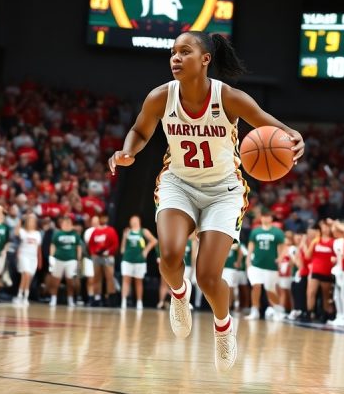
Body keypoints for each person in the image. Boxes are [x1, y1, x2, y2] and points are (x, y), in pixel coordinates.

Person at [108, 31, 304, 372]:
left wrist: (293, 136)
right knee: (169, 256)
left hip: (223, 191)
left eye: (185, 51)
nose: (175, 57)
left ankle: (223, 327)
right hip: (178, 183)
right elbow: (139, 131)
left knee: (209, 276)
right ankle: (179, 294)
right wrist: (127, 151)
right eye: (173, 52)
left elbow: (276, 128)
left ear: (205, 59)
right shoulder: (160, 97)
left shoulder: (229, 97)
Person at [245, 211, 286, 321]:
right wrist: (248, 259)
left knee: (270, 290)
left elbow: (283, 247)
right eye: (264, 216)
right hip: (256, 264)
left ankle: (278, 309)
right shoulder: (255, 231)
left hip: (271, 266)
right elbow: (251, 245)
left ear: (271, 218)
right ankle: (255, 310)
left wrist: (280, 258)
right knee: (256, 286)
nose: (266, 218)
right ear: (261, 218)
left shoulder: (277, 232)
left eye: (268, 216)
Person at [120, 215, 157, 310]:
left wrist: (146, 251)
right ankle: (123, 301)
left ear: (139, 221)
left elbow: (154, 241)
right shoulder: (128, 231)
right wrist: (124, 237)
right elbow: (122, 249)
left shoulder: (143, 231)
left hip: (139, 260)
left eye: (135, 220)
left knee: (138, 281)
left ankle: (139, 302)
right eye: (132, 220)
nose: (133, 222)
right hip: (127, 259)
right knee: (126, 280)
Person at [48, 214, 83, 307]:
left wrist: (78, 259)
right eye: (65, 223)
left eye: (69, 223)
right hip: (58, 259)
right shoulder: (57, 234)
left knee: (70, 281)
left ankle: (70, 299)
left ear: (71, 224)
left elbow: (79, 247)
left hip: (71, 260)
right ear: (61, 224)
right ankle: (53, 298)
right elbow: (53, 245)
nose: (67, 224)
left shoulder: (75, 235)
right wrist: (51, 257)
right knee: (55, 280)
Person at [87, 213, 120, 307]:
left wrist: (108, 251)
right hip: (97, 257)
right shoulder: (95, 231)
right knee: (97, 277)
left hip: (108, 256)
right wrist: (94, 252)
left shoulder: (110, 230)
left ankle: (110, 298)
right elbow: (91, 244)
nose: (103, 220)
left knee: (110, 277)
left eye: (104, 218)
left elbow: (115, 244)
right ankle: (97, 298)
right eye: (101, 218)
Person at [16, 213, 41, 306]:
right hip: (23, 255)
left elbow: (38, 248)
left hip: (33, 257)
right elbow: (16, 233)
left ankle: (24, 296)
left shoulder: (37, 233)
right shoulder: (23, 231)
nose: (31, 222)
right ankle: (20, 296)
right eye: (30, 220)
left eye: (33, 221)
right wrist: (20, 221)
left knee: (28, 277)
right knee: (26, 274)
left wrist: (39, 260)